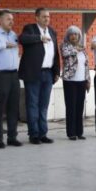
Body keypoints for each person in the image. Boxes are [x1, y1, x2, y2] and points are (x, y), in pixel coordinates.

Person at [19, 8, 60, 144]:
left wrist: (56, 72)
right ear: (36, 18)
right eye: (43, 17)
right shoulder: (30, 29)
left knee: (44, 105)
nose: (46, 19)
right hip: (33, 73)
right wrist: (39, 38)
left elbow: (55, 53)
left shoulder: (52, 31)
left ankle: (43, 133)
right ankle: (34, 135)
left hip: (48, 73)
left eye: (48, 16)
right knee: (32, 105)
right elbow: (22, 39)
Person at [0, 11, 22, 148]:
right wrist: (6, 45)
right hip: (1, 75)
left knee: (14, 107)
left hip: (14, 75)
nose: (11, 21)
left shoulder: (13, 35)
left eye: (12, 19)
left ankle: (12, 137)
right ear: (0, 20)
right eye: (8, 19)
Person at [61, 25, 90, 140]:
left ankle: (79, 132)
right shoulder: (65, 46)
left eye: (76, 34)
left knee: (80, 107)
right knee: (71, 107)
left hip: (81, 81)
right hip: (70, 81)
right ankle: (71, 133)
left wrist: (88, 80)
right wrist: (76, 50)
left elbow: (86, 65)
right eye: (72, 34)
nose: (74, 36)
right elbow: (65, 54)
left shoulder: (82, 48)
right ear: (68, 36)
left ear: (79, 36)